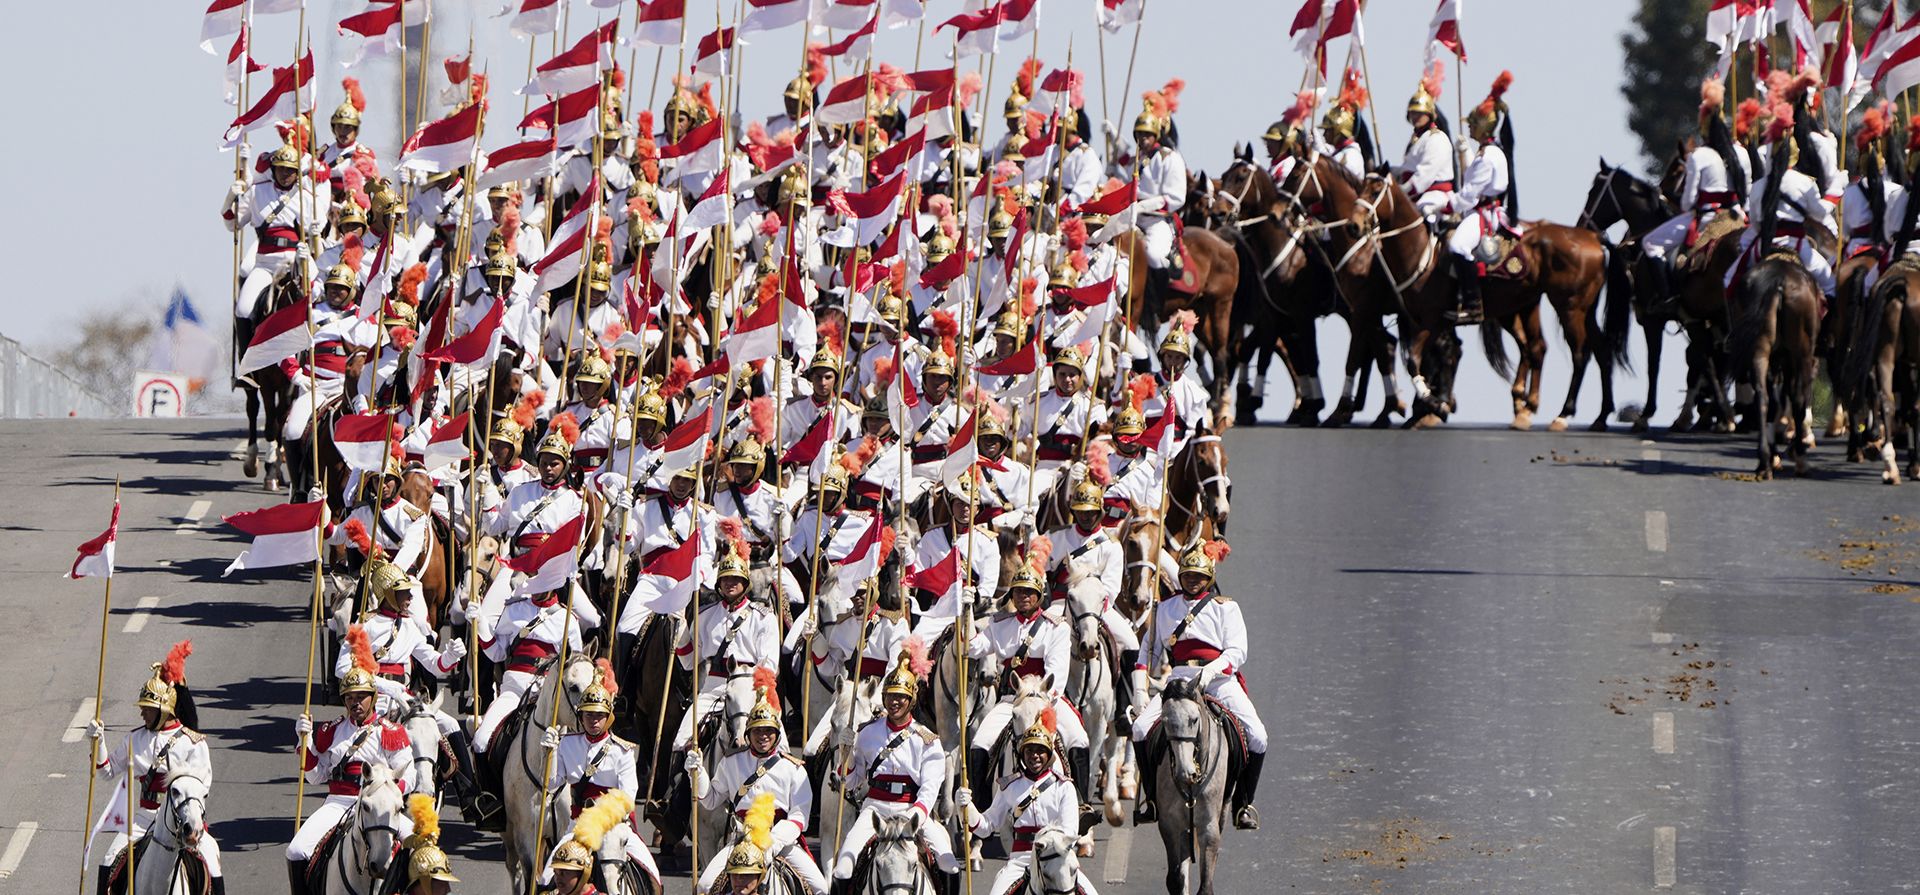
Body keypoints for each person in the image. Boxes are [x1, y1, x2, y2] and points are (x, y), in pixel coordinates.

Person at [1130, 541, 1267, 830]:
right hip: (1179, 679)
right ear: (1180, 578)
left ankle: (1243, 804)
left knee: (1258, 735)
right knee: (1141, 729)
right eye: (1188, 576)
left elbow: (1236, 651)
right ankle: (1151, 800)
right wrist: (1141, 690)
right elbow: (1148, 653)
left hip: (1219, 680)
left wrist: (1210, 671)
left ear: (1209, 579)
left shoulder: (1226, 608)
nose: (1193, 581)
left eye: (1199, 576)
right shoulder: (1164, 609)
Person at [88, 646, 224, 895]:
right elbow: (106, 772)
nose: (142, 712)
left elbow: (202, 786)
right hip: (145, 818)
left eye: (147, 708)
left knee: (212, 859)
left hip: (185, 819)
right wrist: (98, 743)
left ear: (163, 709)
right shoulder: (135, 740)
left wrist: (190, 818)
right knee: (109, 859)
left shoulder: (192, 742)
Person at [964, 556, 1092, 808]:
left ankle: (1082, 805)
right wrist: (965, 611)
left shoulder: (1056, 627)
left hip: (1047, 700)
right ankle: (981, 810)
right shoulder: (999, 624)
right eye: (1019, 591)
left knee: (1079, 738)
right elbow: (969, 648)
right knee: (979, 743)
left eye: (1029, 592)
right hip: (1011, 701)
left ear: (1039, 595)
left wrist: (1040, 703)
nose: (1023, 596)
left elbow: (1056, 674)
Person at [829, 650, 960, 889]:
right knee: (843, 867)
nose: (895, 701)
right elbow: (852, 780)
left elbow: (930, 789)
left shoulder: (928, 740)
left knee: (948, 862)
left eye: (901, 696)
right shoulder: (867, 732)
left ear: (911, 700)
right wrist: (845, 752)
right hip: (875, 810)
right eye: (890, 696)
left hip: (912, 809)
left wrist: (914, 818)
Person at [288, 656, 414, 892]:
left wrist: (388, 796)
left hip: (381, 807)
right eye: (349, 697)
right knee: (296, 850)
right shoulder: (332, 731)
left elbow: (409, 773)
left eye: (361, 697)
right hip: (338, 803)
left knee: (423, 849)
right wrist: (304, 743)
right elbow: (316, 777)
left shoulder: (391, 732)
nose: (355, 703)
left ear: (373, 698)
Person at [690, 683, 828, 895]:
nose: (763, 736)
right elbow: (709, 799)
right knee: (704, 885)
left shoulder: (793, 768)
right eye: (757, 731)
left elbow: (800, 817)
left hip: (780, 840)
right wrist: (697, 773)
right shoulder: (731, 762)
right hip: (741, 839)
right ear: (748, 733)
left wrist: (773, 842)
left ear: (776, 734)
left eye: (768, 731)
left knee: (820, 888)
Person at [538, 669, 660, 879]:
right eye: (589, 714)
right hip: (577, 826)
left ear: (608, 717)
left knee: (652, 874)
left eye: (599, 715)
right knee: (548, 876)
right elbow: (550, 785)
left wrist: (597, 822)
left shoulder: (622, 751)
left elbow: (627, 798)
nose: (594, 720)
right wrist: (548, 754)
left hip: (614, 827)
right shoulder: (566, 744)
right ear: (581, 716)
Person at [1642, 77, 1747, 317]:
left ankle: (1669, 299)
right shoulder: (1740, 152)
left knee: (1650, 244)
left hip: (1708, 220)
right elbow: (1746, 190)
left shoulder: (1699, 156)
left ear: (1704, 127)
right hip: (1737, 217)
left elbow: (1689, 201)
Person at [954, 718, 1095, 895]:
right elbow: (987, 827)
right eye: (1029, 750)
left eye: (1040, 750)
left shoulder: (1064, 786)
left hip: (1058, 859)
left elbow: (1069, 832)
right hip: (1021, 859)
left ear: (1049, 754)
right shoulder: (1009, 786)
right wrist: (966, 808)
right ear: (1022, 754)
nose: (1034, 755)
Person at [672, 538, 781, 750]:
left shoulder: (763, 617)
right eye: (725, 579)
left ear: (745, 582)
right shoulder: (704, 616)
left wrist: (758, 696)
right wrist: (682, 628)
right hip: (713, 688)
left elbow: (769, 667)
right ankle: (679, 783)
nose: (730, 583)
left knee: (780, 747)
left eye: (735, 578)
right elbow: (688, 662)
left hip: (751, 690)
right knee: (680, 743)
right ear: (718, 583)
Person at [1445, 71, 1516, 325]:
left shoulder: (1487, 157)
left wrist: (1446, 204)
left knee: (1457, 246)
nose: (1469, 127)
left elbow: (1468, 195)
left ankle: (1472, 304)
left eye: (1472, 124)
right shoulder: (1490, 152)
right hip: (1487, 210)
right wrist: (1465, 155)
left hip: (1484, 215)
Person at [224, 143, 323, 323]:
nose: (285, 174)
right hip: (266, 263)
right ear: (273, 169)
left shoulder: (306, 197)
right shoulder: (256, 192)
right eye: (281, 169)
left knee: (317, 297)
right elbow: (233, 224)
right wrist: (229, 199)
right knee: (243, 309)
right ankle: (246, 351)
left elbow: (318, 232)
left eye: (290, 170)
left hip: (296, 261)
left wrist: (315, 233)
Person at [1130, 92, 1189, 290]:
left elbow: (1176, 197)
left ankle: (1157, 300)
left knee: (1154, 256)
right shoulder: (1138, 159)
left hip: (1158, 220)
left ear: (1155, 134)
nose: (1142, 139)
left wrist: (1145, 204)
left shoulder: (1169, 157)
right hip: (1132, 217)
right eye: (1139, 134)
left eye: (1146, 134)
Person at [1397, 65, 1456, 221]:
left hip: (1434, 194)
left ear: (1429, 114)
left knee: (1423, 210)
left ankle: (1434, 243)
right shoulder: (1417, 139)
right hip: (1416, 192)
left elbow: (1425, 175)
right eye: (1413, 113)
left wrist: (1402, 191)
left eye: (1420, 113)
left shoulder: (1437, 139)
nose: (1416, 117)